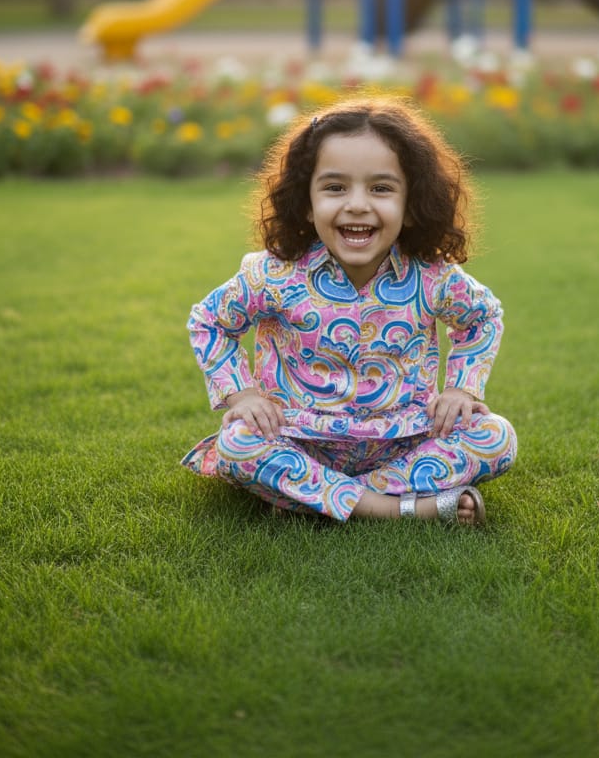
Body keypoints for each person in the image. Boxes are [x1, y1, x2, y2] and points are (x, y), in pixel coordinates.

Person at [181, 97, 517, 526]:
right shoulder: (273, 274)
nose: (357, 204)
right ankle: (402, 510)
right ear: (305, 202)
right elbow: (210, 322)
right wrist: (243, 395)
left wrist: (461, 390)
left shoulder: (433, 276)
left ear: (412, 203)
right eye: (335, 187)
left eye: (380, 188)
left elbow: (483, 317)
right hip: (299, 440)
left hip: (405, 440)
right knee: (238, 444)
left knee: (495, 437)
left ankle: (324, 499)